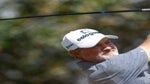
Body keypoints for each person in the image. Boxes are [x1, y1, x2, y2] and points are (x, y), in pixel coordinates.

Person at [61, 28, 150, 84]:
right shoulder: (110, 69)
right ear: (76, 53)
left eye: (107, 42)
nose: (107, 47)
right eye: (95, 45)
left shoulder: (91, 72)